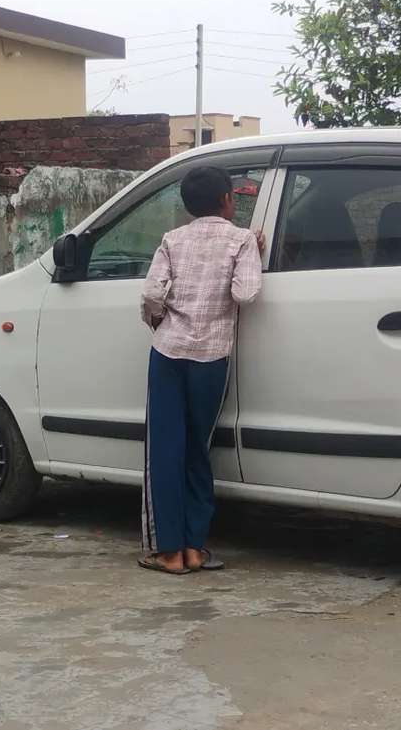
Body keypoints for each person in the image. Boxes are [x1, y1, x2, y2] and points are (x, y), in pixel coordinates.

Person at [138, 166, 263, 574]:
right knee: (198, 450)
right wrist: (253, 255)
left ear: (188, 205)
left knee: (165, 448)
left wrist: (158, 319)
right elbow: (246, 294)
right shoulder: (242, 240)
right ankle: (195, 546)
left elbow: (152, 293)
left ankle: (169, 552)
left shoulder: (172, 240)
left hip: (168, 354)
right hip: (211, 358)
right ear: (228, 200)